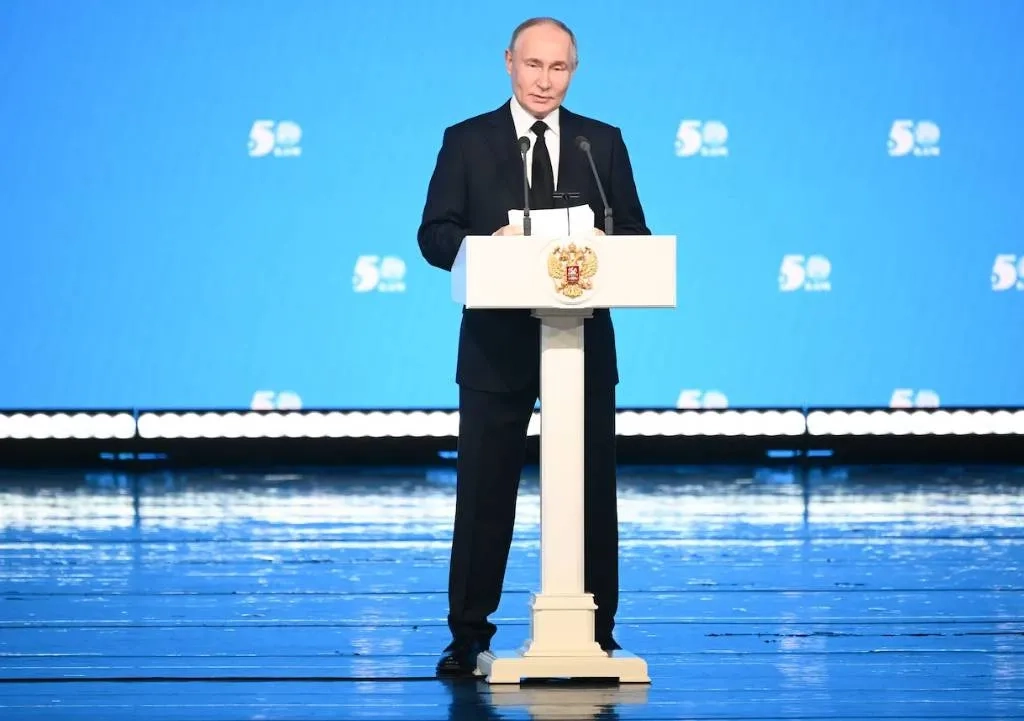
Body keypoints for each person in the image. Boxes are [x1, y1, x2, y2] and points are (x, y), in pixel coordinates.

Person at [416, 16, 651, 677]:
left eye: (559, 68)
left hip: (582, 343)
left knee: (591, 492)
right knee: (484, 494)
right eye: (534, 65)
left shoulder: (600, 143)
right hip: (496, 347)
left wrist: (609, 244)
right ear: (509, 63)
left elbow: (636, 233)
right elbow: (434, 233)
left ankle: (599, 632)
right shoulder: (467, 140)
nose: (545, 80)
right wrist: (484, 245)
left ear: (573, 71)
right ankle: (468, 637)